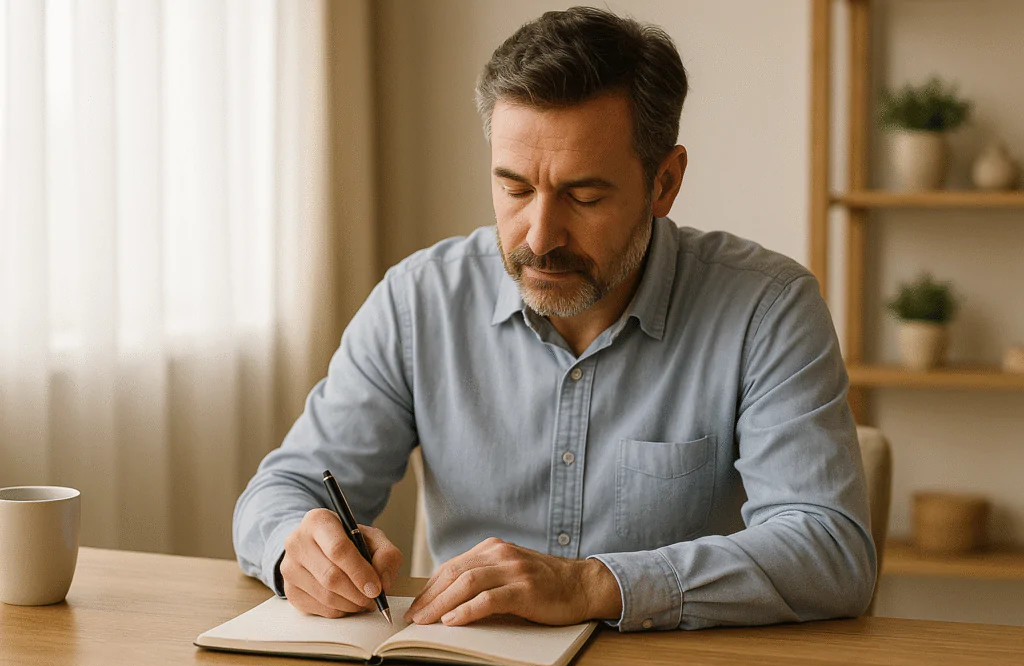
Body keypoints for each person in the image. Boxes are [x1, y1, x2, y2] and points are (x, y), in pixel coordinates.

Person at [233, 6, 875, 632]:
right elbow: (282, 488)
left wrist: (593, 584)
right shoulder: (418, 302)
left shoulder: (767, 309)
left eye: (584, 195)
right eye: (514, 190)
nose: (539, 237)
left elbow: (830, 551)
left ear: (665, 183)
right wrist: (298, 551)